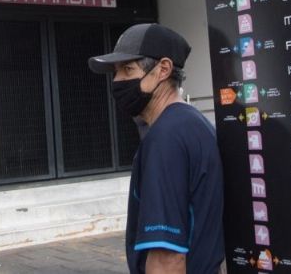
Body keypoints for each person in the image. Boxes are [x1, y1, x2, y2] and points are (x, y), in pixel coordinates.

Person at [89, 23, 224, 273]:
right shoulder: (195, 123)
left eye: (128, 69)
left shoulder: (165, 138)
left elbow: (167, 258)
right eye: (116, 72)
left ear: (163, 69)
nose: (117, 81)